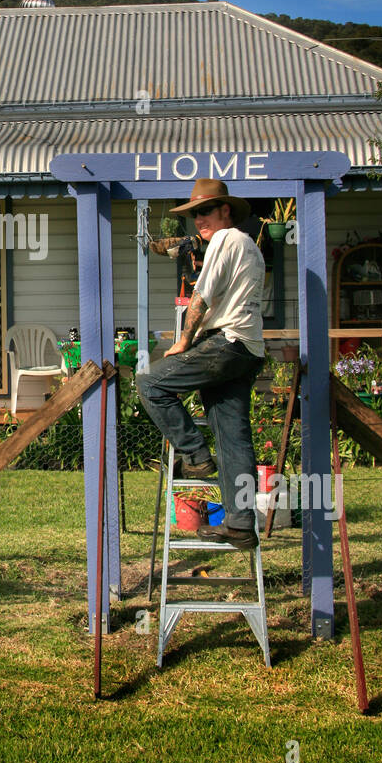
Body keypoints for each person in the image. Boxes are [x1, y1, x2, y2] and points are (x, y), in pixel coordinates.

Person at [136, 179, 266, 548]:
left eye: (205, 210)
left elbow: (202, 296)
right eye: (194, 213)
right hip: (248, 351)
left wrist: (183, 341)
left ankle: (194, 455)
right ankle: (240, 525)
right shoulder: (249, 247)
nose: (199, 219)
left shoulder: (226, 240)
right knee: (234, 439)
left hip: (225, 343)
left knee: (150, 383)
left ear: (226, 211)